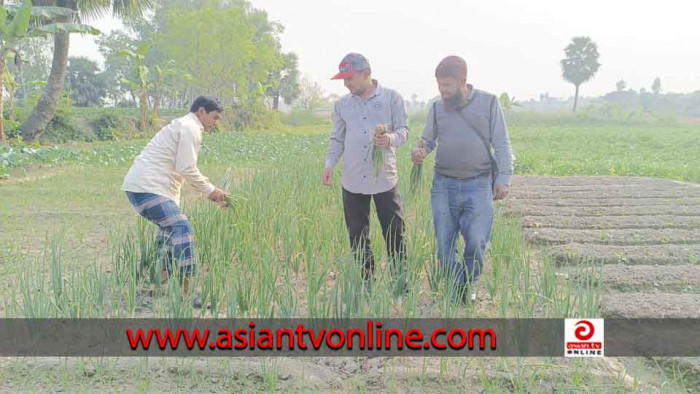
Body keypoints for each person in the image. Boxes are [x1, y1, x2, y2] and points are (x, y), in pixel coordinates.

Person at [411, 56, 514, 304]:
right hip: (443, 185)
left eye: (447, 85)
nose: (442, 91)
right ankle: (459, 289)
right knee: (444, 249)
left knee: (477, 243)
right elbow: (428, 139)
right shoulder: (436, 108)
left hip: (478, 185)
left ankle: (466, 285)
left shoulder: (488, 103)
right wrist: (420, 151)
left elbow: (501, 142)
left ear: (463, 81)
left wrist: (504, 177)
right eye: (439, 85)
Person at [122, 96, 228, 308]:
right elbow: (186, 168)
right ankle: (187, 294)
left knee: (168, 235)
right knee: (182, 229)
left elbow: (181, 168)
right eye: (214, 117)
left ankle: (153, 285)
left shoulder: (184, 125)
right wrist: (211, 190)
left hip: (141, 188)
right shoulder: (190, 127)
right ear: (201, 111)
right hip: (148, 188)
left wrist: (209, 191)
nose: (216, 123)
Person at [323, 53, 409, 291]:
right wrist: (330, 164)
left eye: (350, 78)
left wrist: (390, 138)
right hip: (352, 179)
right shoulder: (342, 105)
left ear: (366, 74)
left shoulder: (392, 98)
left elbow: (404, 131)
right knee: (357, 235)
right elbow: (337, 138)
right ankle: (366, 283)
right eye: (344, 79)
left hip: (384, 178)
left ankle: (400, 283)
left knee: (394, 233)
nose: (346, 84)